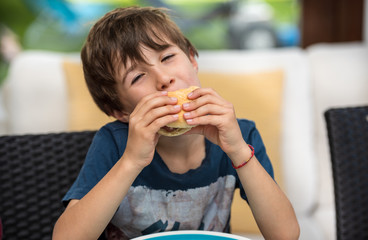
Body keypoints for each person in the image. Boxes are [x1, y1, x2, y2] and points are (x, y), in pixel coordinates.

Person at [53, 6, 299, 240]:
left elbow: (285, 235)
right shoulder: (116, 144)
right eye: (138, 76)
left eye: (168, 57)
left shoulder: (240, 135)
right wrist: (132, 161)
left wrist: (238, 150)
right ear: (120, 111)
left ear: (192, 59)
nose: (163, 79)